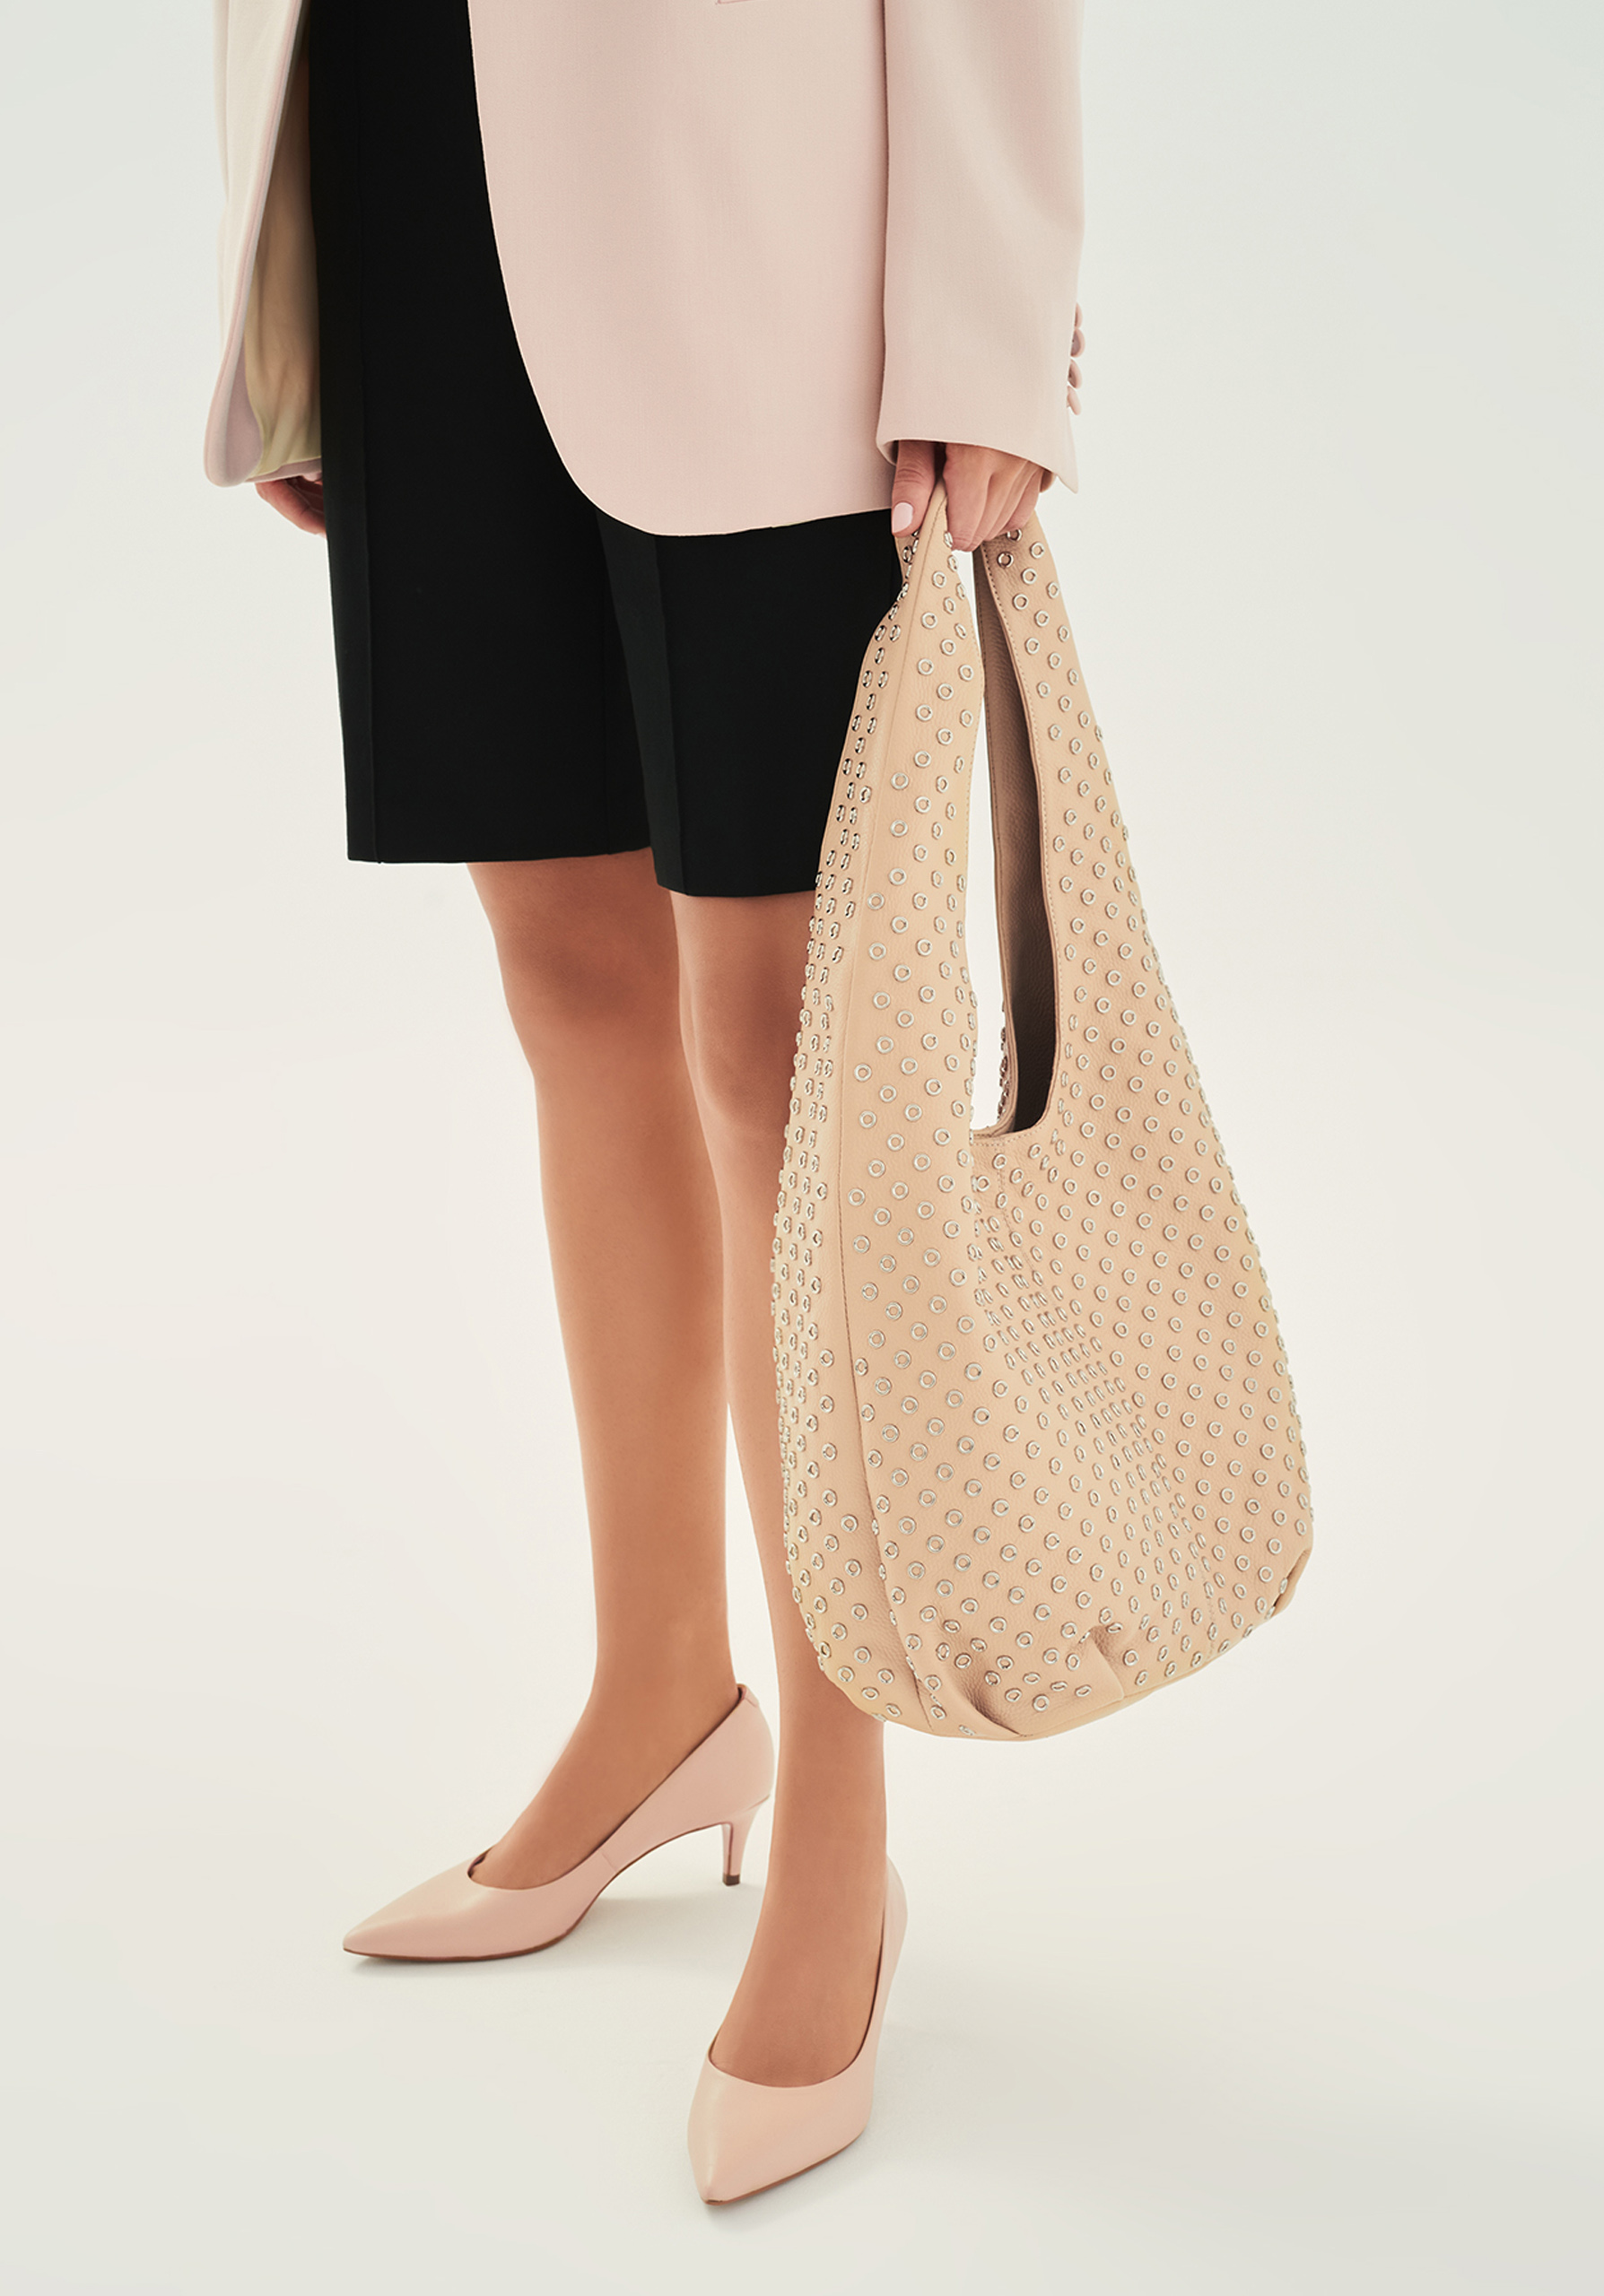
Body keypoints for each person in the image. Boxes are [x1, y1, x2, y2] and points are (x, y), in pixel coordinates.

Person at [206, 0, 1085, 2202]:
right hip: (403, 126)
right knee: (569, 974)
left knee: (774, 1037)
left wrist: (986, 308)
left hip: (748, 184)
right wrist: (295, 261)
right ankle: (663, 1692)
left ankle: (843, 1842)